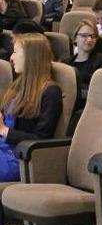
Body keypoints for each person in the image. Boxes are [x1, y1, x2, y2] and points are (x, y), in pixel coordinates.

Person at [0, 33, 62, 181]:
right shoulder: (17, 86)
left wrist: (4, 130)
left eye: (15, 52)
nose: (11, 58)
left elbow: (42, 139)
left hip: (19, 157)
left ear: (31, 57)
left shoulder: (50, 91)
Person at [69, 20, 102, 110]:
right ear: (75, 38)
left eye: (93, 36)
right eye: (84, 35)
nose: (89, 39)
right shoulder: (66, 62)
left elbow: (99, 89)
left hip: (86, 107)